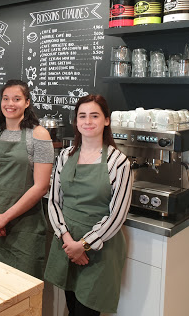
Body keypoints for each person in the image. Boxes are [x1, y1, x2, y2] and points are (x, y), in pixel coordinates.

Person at [45, 94, 132, 316]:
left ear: (106, 120)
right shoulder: (64, 156)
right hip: (67, 243)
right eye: (82, 116)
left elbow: (117, 216)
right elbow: (55, 202)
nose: (88, 121)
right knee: (71, 306)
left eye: (95, 115)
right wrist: (68, 241)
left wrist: (82, 245)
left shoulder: (118, 162)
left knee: (86, 311)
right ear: (76, 121)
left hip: (99, 251)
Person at [0, 79, 54, 279]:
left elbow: (41, 186)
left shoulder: (39, 135)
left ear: (27, 103)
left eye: (17, 99)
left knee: (23, 289)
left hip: (24, 228)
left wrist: (5, 218)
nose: (10, 104)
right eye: (6, 99)